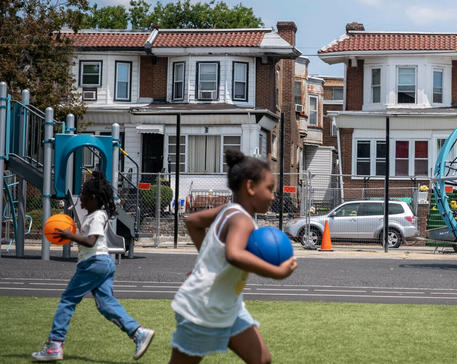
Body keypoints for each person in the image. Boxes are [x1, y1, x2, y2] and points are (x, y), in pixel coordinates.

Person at [169, 150, 297, 364]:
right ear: (250, 187)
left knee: (262, 360)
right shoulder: (242, 220)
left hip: (228, 306)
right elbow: (234, 254)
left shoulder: (228, 210)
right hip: (202, 308)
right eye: (270, 189)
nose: (274, 196)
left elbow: (193, 221)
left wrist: (206, 263)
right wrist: (277, 273)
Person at [32, 171, 155, 361]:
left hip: (93, 263)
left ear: (93, 198)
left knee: (68, 300)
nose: (80, 199)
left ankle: (55, 345)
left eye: (84, 196)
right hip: (103, 263)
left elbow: (90, 241)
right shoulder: (94, 215)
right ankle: (138, 332)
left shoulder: (97, 216)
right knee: (105, 303)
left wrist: (69, 236)